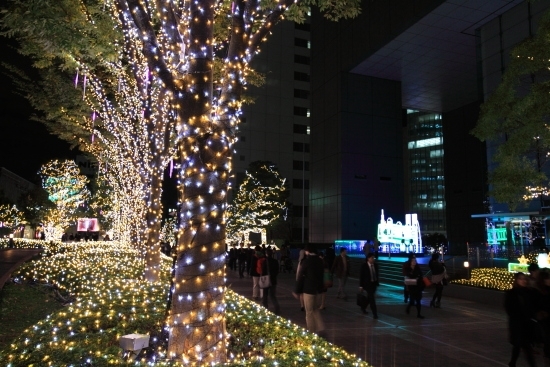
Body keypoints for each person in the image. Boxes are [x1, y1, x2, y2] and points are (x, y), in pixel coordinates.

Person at [504, 272, 537, 367]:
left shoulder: (529, 292)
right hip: (517, 325)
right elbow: (509, 309)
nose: (523, 281)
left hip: (527, 324)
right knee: (522, 346)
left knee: (521, 346)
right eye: (520, 279)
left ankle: (512, 363)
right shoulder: (511, 293)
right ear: (516, 280)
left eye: (524, 279)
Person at [294, 243, 325, 335]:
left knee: (309, 312)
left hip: (309, 289)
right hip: (318, 289)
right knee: (315, 309)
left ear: (307, 251)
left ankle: (311, 331)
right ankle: (320, 327)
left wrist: (297, 290)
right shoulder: (320, 261)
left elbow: (301, 277)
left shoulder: (306, 261)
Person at [359, 252, 379, 319]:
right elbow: (361, 276)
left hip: (374, 284)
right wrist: (361, 286)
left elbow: (377, 274)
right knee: (372, 299)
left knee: (369, 298)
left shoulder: (375, 265)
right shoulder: (364, 266)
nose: (373, 259)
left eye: (374, 258)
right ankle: (375, 314)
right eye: (372, 258)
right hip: (367, 284)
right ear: (368, 258)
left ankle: (363, 307)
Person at [261, 247, 280, 315]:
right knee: (272, 295)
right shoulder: (275, 261)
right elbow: (277, 270)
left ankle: (265, 308)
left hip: (266, 280)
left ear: (266, 254)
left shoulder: (265, 261)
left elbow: (263, 271)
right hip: (273, 280)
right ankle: (277, 308)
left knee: (265, 295)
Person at [296, 246, 307, 311]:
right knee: (305, 293)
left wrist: (297, 279)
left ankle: (302, 305)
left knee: (301, 293)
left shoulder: (301, 261)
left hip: (301, 279)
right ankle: (305, 305)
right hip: (307, 280)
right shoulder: (308, 261)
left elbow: (298, 271)